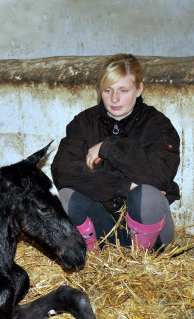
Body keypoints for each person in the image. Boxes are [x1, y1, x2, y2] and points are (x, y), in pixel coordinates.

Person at [51, 54, 180, 252]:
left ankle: (142, 263)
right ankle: (94, 258)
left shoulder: (157, 125)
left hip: (151, 228)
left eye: (123, 90)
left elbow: (160, 176)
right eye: (107, 90)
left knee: (145, 195)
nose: (114, 99)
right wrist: (125, 186)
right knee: (66, 196)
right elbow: (64, 172)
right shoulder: (84, 123)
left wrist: (109, 147)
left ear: (139, 89)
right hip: (102, 223)